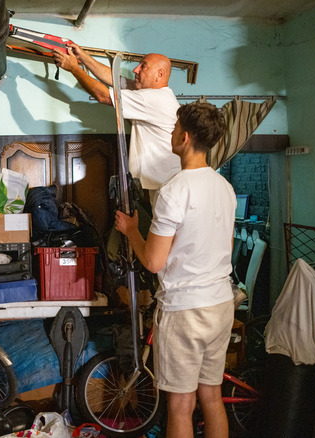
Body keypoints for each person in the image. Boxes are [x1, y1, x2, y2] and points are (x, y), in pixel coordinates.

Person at [114, 101, 236, 438]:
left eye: (172, 129)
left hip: (185, 311)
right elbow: (224, 248)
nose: (169, 133)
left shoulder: (173, 191)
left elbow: (153, 261)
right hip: (220, 304)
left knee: (181, 405)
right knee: (211, 396)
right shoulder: (225, 189)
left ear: (183, 137)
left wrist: (132, 231)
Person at [52, 44, 181, 206]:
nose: (135, 70)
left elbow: (104, 96)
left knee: (168, 230)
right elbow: (116, 81)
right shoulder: (157, 94)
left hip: (167, 184)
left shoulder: (153, 99)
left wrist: (75, 69)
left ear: (159, 74)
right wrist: (83, 56)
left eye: (143, 66)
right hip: (164, 181)